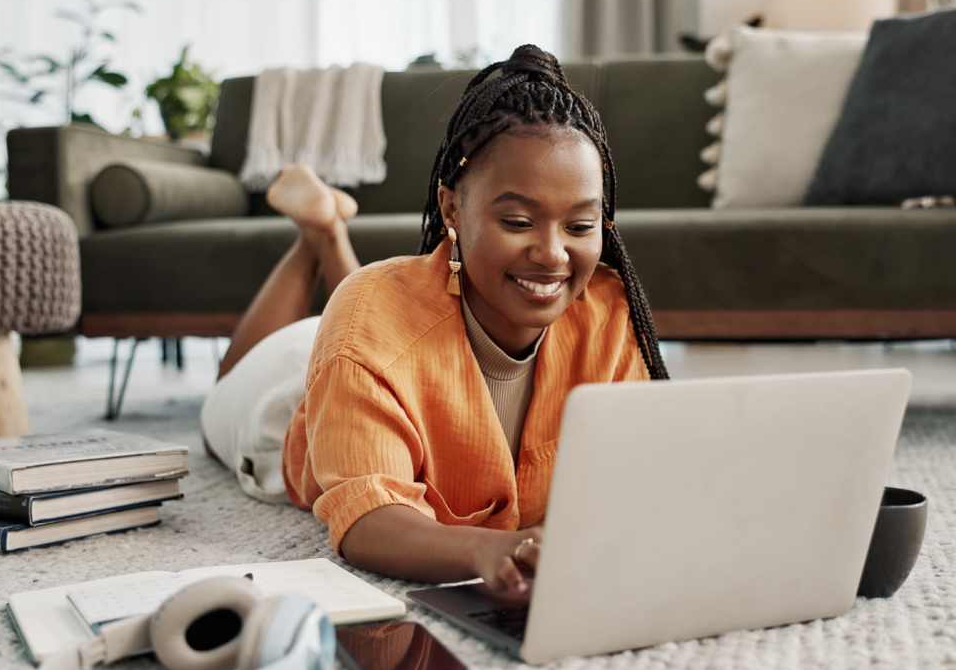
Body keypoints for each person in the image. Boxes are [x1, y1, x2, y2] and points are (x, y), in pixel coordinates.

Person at [201, 44, 669, 599]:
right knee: (234, 374)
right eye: (518, 220)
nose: (552, 254)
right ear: (451, 209)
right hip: (280, 402)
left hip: (373, 340)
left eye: (580, 225)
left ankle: (326, 231)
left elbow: (641, 473)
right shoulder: (367, 323)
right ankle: (319, 236)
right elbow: (367, 516)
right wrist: (483, 547)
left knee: (365, 310)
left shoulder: (607, 311)